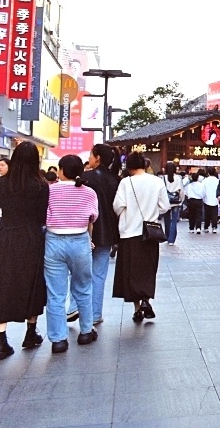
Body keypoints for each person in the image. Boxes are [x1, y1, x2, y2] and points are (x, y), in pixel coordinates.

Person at [0, 142, 49, 360]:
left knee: (2, 284)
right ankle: (30, 332)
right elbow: (42, 217)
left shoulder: (1, 183)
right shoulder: (41, 185)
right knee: (32, 283)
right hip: (31, 238)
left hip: (5, 236)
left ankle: (1, 342)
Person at [44, 155, 100, 353]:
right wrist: (89, 241)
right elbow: (91, 220)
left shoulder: (49, 190)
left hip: (54, 242)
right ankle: (86, 331)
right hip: (80, 240)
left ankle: (58, 339)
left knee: (55, 293)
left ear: (60, 170)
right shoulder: (89, 193)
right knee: (83, 287)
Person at [68, 144, 121, 327]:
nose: (89, 157)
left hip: (84, 231)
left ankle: (74, 307)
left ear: (97, 157)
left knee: (79, 272)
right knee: (99, 275)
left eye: (91, 154)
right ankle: (96, 313)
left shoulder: (84, 177)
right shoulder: (116, 179)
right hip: (108, 234)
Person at [113, 152, 169, 323]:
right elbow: (165, 206)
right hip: (150, 233)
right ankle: (146, 299)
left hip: (129, 233)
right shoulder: (157, 181)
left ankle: (137, 309)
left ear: (129, 166)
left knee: (131, 271)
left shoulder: (125, 182)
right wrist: (152, 214)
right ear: (144, 165)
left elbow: (117, 206)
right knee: (148, 269)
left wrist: (128, 216)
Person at [159, 161, 184, 246]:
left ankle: (167, 235)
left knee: (166, 220)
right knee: (174, 220)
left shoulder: (163, 178)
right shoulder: (178, 178)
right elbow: (181, 191)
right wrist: (181, 200)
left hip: (166, 202)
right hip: (176, 202)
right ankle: (171, 240)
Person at [201, 166, 220, 233]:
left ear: (208, 172)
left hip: (206, 199)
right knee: (214, 214)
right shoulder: (218, 180)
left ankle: (206, 227)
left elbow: (202, 190)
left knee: (207, 214)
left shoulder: (205, 180)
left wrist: (203, 197)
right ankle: (214, 227)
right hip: (215, 199)